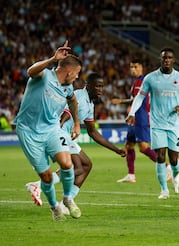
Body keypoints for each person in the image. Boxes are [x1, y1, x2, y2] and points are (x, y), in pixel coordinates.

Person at [25, 72, 127, 210]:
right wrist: (53, 136)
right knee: (77, 167)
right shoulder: (79, 95)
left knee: (86, 166)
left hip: (63, 134)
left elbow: (93, 132)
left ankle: (66, 201)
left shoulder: (90, 105)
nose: (100, 90)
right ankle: (39, 185)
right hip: (58, 132)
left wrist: (116, 150)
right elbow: (65, 114)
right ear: (88, 85)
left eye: (102, 87)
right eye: (97, 86)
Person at [14, 41, 82, 221]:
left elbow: (73, 101)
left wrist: (76, 123)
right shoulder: (44, 76)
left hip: (52, 128)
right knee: (45, 175)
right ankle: (54, 206)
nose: (77, 77)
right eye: (76, 74)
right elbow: (30, 71)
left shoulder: (68, 88)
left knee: (67, 164)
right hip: (28, 131)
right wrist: (53, 58)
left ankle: (67, 198)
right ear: (69, 71)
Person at [126, 48, 179, 199]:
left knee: (173, 159)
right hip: (157, 124)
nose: (166, 60)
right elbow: (140, 97)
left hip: (175, 124)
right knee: (160, 156)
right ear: (160, 60)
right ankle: (163, 190)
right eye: (164, 58)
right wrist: (131, 113)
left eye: (169, 58)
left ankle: (176, 174)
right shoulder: (150, 78)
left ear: (173, 60)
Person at [112, 58, 171, 183]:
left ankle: (167, 168)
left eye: (135, 67)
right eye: (131, 67)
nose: (133, 69)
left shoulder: (141, 81)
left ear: (141, 68)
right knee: (129, 145)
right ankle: (131, 175)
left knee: (144, 148)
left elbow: (138, 99)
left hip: (141, 117)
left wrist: (121, 101)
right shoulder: (137, 81)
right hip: (135, 117)